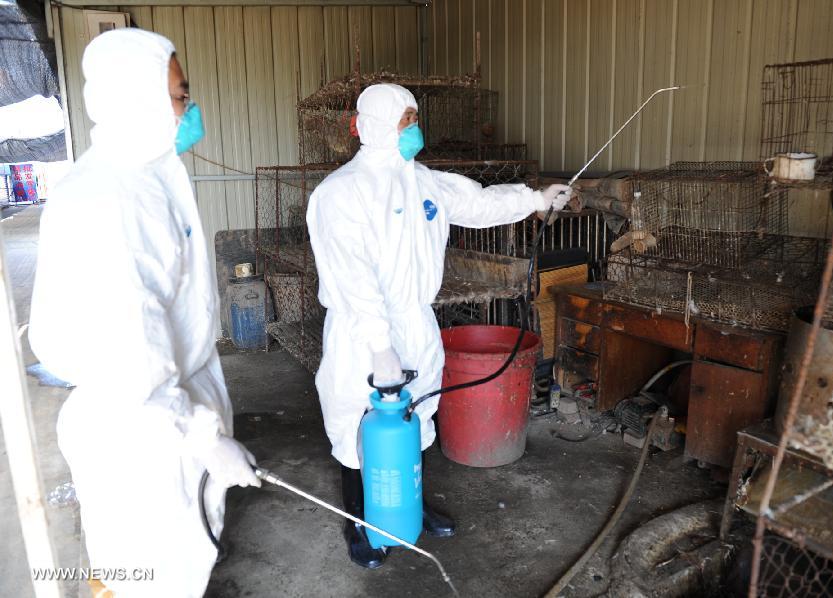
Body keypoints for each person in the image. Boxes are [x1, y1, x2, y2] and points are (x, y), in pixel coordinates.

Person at [29, 29, 259, 598]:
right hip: (142, 426)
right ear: (138, 99)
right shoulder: (113, 200)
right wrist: (205, 437)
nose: (191, 107)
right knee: (149, 574)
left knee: (172, 563)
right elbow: (135, 360)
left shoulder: (145, 173)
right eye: (180, 95)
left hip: (165, 409)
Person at [307, 83, 571, 569]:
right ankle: (359, 522)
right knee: (355, 426)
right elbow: (351, 277)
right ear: (379, 125)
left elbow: (479, 203)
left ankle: (412, 504)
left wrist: (535, 198)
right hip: (363, 332)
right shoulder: (340, 193)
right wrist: (379, 347)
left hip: (415, 321)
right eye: (406, 119)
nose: (414, 128)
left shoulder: (424, 180)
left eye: (414, 117)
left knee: (419, 415)